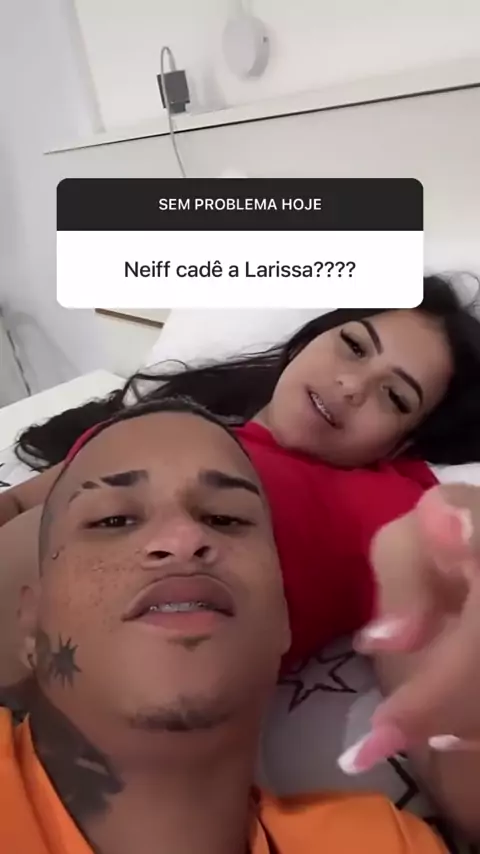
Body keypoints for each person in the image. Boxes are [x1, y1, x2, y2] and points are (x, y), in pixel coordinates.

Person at [0, 398, 446, 853]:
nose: (184, 539)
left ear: (283, 620)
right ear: (31, 621)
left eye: (225, 519)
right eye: (113, 519)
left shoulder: (385, 844)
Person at [1, 274, 480, 680]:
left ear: (401, 444)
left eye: (394, 397)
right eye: (353, 346)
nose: (351, 386)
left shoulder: (383, 501)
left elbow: (438, 684)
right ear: (310, 338)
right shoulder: (169, 420)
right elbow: (21, 502)